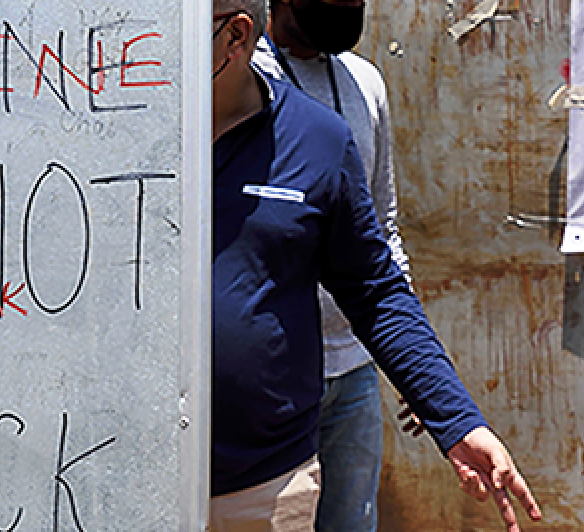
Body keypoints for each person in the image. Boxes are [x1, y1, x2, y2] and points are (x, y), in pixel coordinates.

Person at [208, 2, 543, 530]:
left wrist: (452, 416)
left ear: (234, 36)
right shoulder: (117, 133)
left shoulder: (320, 136)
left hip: (264, 482)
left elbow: (375, 284)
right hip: (126, 459)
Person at [249, 1, 400, 530]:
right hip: (274, 372)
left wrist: (405, 359)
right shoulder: (244, 81)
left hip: (354, 367)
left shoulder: (365, 83)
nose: (346, 8)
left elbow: (382, 228)